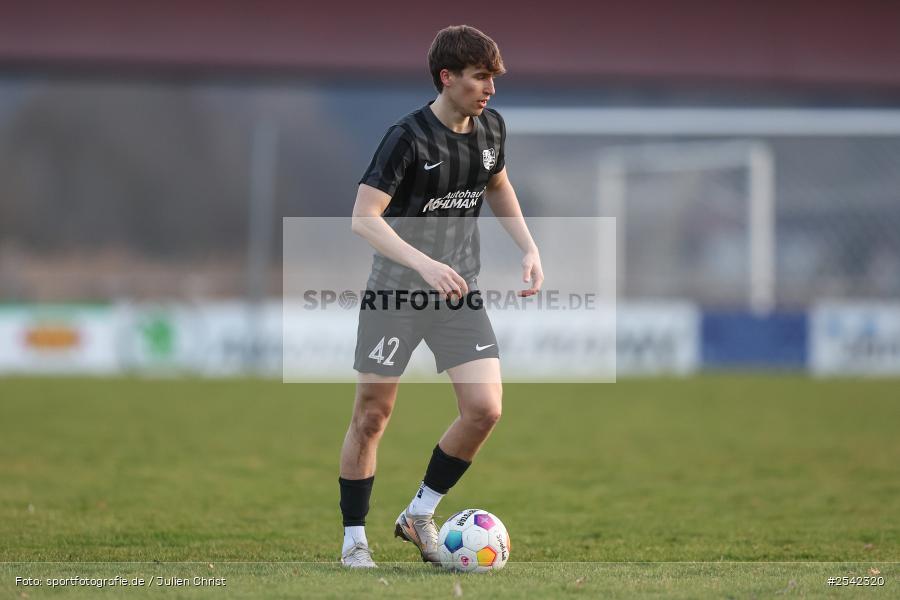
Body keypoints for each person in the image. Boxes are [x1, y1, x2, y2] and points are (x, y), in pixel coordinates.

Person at [338, 24, 543, 568]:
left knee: (485, 409)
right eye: (480, 77)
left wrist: (527, 246)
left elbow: (497, 183)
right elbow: (364, 218)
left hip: (458, 293)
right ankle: (354, 538)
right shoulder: (406, 138)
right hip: (396, 294)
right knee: (372, 416)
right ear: (447, 77)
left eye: (494, 78)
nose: (490, 89)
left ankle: (419, 513)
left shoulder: (491, 128)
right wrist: (425, 265)